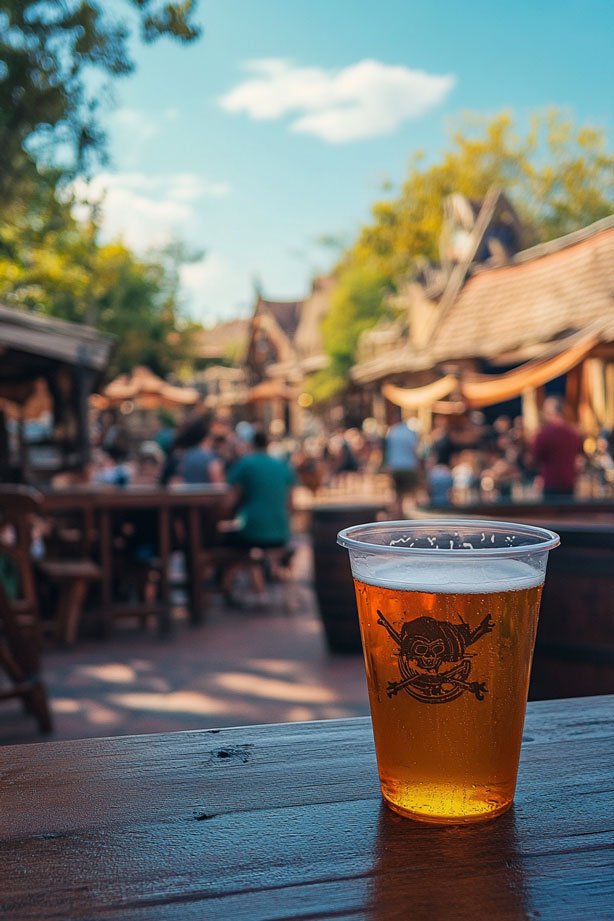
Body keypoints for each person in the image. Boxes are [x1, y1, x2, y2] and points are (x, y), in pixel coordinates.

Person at [222, 428, 296, 604]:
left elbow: (229, 500)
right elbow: (291, 504)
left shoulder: (245, 464)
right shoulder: (282, 465)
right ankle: (261, 588)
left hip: (252, 531)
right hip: (281, 533)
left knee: (233, 546)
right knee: (253, 549)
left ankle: (231, 587)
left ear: (251, 444)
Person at [531, 397, 583, 499]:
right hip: (569, 483)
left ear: (550, 412)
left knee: (551, 514)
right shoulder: (573, 433)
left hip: (551, 483)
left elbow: (535, 456)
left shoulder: (545, 433)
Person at [384, 411, 421, 517]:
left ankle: (399, 516)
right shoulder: (410, 432)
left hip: (395, 466)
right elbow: (415, 450)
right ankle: (413, 516)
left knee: (398, 495)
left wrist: (388, 465)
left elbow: (388, 451)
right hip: (409, 466)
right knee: (412, 492)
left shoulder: (392, 432)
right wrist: (418, 465)